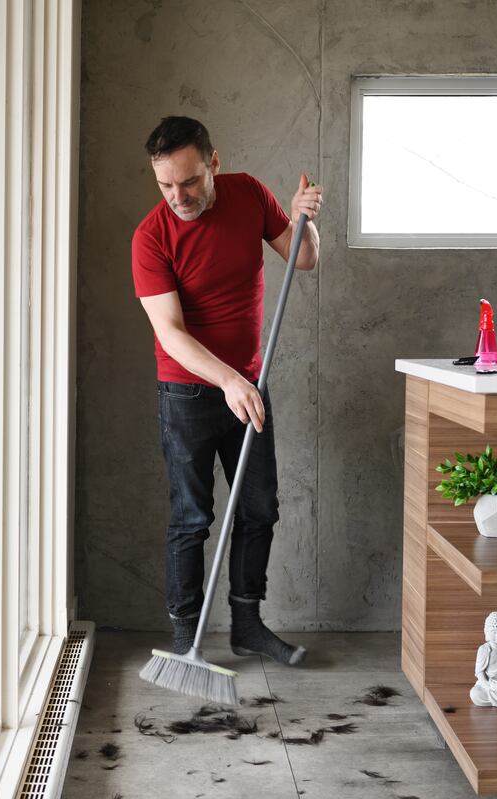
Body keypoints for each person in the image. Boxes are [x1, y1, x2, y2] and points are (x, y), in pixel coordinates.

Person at [131, 116, 322, 666]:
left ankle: (247, 627)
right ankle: (185, 640)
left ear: (214, 162)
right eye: (165, 185)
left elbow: (305, 259)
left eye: (188, 181)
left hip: (250, 385)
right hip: (187, 394)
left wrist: (306, 219)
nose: (178, 196)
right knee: (192, 516)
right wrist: (229, 379)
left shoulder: (249, 194)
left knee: (259, 508)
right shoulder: (151, 237)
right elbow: (169, 332)